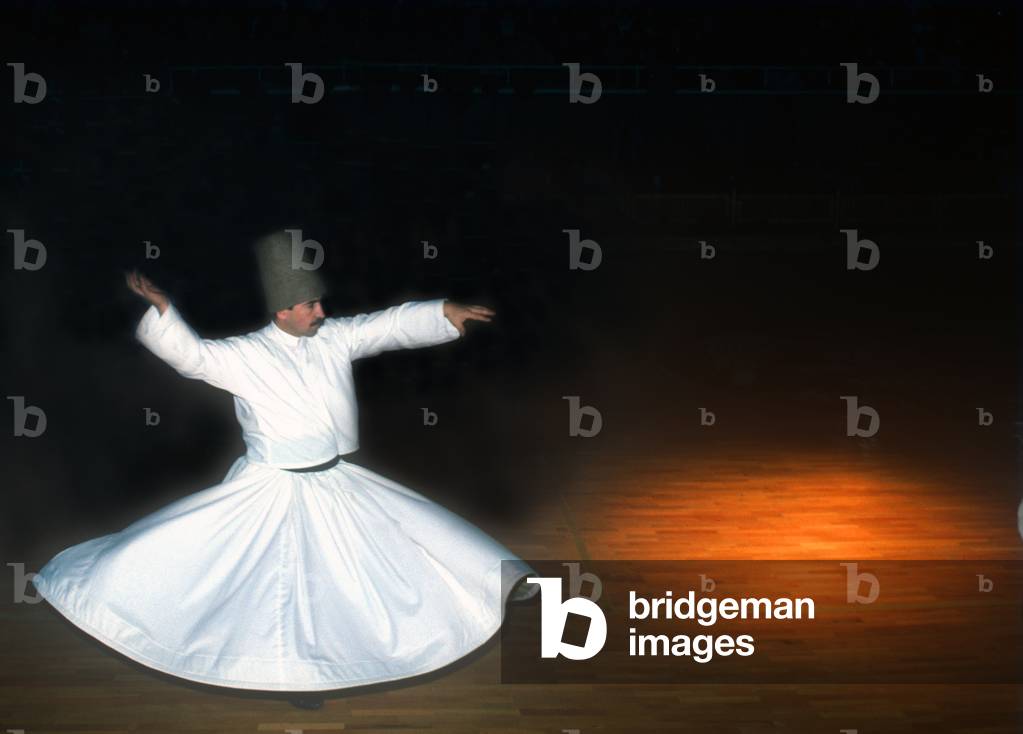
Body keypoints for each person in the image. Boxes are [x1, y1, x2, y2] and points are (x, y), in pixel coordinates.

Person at [31, 229, 539, 710]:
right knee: (286, 587)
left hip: (333, 478)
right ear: (282, 311)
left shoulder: (333, 338)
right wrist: (166, 311)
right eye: (310, 306)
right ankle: (296, 676)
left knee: (401, 541)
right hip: (272, 488)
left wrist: (442, 311)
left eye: (319, 303)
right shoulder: (245, 355)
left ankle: (487, 588)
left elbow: (384, 326)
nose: (321, 312)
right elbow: (193, 357)